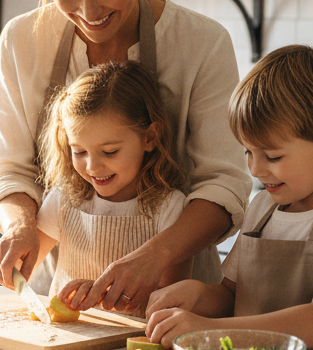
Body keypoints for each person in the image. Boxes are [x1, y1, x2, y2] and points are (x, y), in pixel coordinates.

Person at [0, 0, 251, 315]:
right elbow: (11, 169)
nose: (89, 13)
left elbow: (224, 186)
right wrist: (20, 227)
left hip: (176, 309)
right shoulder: (22, 41)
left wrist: (156, 255)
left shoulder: (202, 42)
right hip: (73, 309)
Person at [145, 44, 313, 350]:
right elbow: (232, 296)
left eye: (273, 156)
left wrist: (212, 331)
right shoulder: (263, 208)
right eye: (248, 152)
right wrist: (196, 294)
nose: (255, 169)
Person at [14, 60, 192, 298]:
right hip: (66, 335)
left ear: (149, 138)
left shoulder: (169, 208)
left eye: (109, 152)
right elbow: (25, 266)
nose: (92, 166)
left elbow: (170, 299)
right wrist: (12, 259)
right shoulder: (64, 199)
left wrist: (102, 294)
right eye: (79, 152)